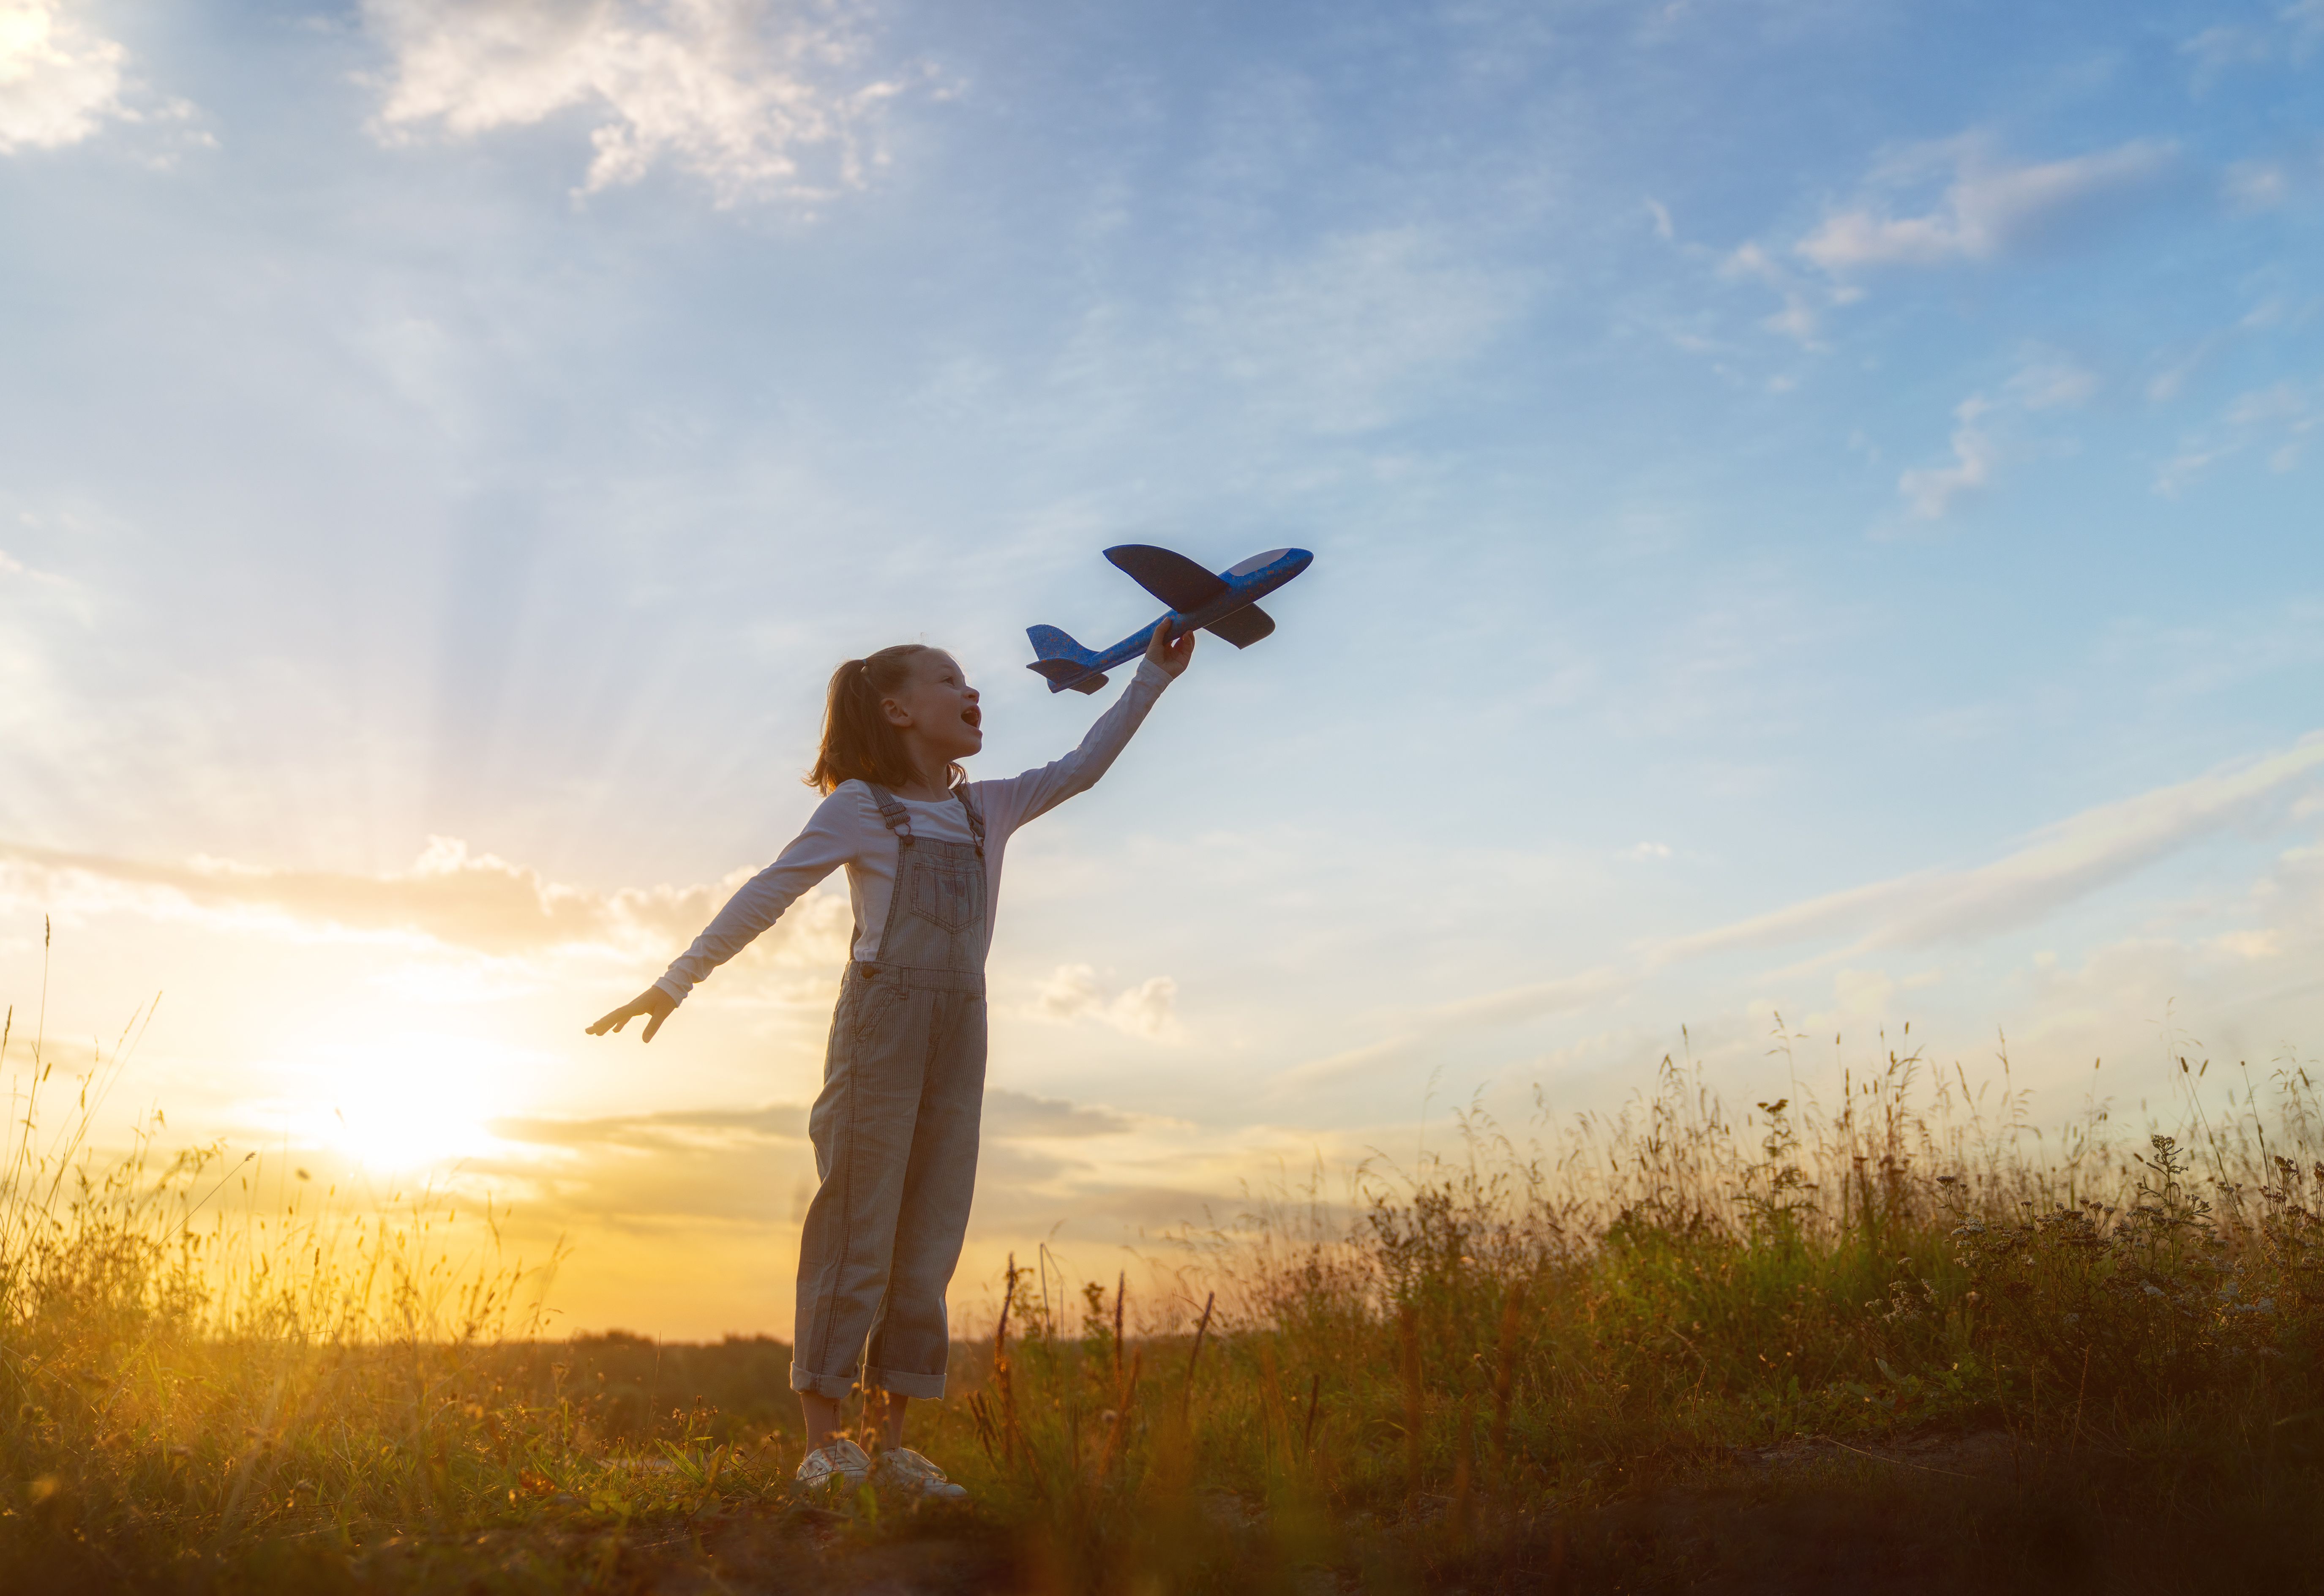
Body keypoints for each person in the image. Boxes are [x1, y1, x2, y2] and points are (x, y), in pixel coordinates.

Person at [588, 621, 1194, 1500]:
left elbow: (1083, 766)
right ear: (899, 710)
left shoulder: (989, 807)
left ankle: (893, 1443)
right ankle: (826, 1443)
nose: (971, 691)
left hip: (961, 1026)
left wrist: (1153, 676)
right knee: (855, 1225)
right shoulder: (860, 808)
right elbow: (769, 890)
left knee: (929, 1232)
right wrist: (674, 982)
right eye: (949, 679)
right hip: (881, 1027)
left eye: (968, 680)